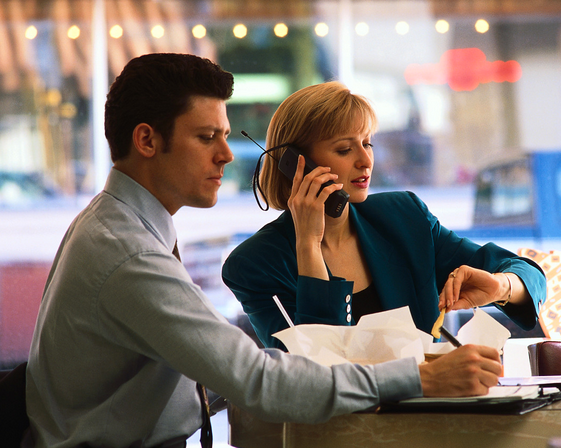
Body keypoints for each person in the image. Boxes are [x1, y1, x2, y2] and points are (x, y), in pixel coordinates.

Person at [24, 55, 503, 448]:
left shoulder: (120, 225)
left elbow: (213, 370)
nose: (227, 156)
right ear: (147, 140)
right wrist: (420, 377)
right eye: (206, 138)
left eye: (226, 137)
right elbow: (258, 380)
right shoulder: (128, 254)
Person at [222, 81, 546, 350]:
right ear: (295, 164)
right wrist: (308, 246)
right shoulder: (254, 265)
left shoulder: (404, 218)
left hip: (433, 413)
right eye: (345, 149)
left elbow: (529, 275)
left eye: (367, 143)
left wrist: (501, 286)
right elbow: (313, 370)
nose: (366, 161)